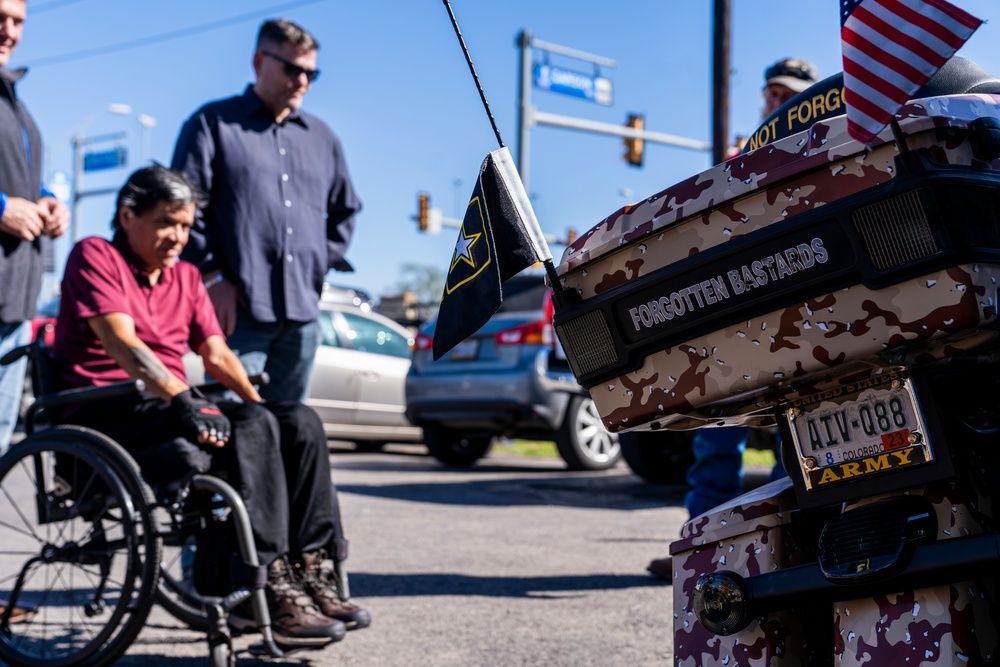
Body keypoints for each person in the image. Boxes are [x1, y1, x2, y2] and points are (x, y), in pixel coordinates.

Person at [51, 165, 371, 648]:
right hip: (106, 409)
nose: (178, 236)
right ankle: (268, 581)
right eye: (165, 222)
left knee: (295, 421)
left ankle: (311, 567)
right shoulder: (96, 255)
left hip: (167, 403)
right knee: (252, 424)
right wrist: (182, 397)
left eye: (185, 225)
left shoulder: (185, 276)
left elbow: (218, 354)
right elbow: (121, 342)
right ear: (127, 214)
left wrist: (260, 405)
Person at [646, 57, 818, 582]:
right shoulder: (740, 156)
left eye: (787, 93)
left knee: (802, 427)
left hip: (800, 308)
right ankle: (701, 548)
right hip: (739, 310)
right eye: (770, 92)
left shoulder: (825, 145)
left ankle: (795, 542)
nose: (774, 100)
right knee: (717, 431)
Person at [171, 18, 360, 403]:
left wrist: (316, 262)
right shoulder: (212, 124)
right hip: (238, 313)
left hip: (302, 317)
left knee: (290, 430)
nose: (302, 81)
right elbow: (182, 206)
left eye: (311, 73)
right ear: (259, 61)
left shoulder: (323, 138)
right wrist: (212, 275)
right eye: (292, 69)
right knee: (234, 428)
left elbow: (346, 209)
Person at [0, 0, 68, 624]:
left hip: (14, 299)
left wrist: (49, 202)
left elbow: (28, 180)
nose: (9, 29)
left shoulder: (18, 103)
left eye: (18, 19)